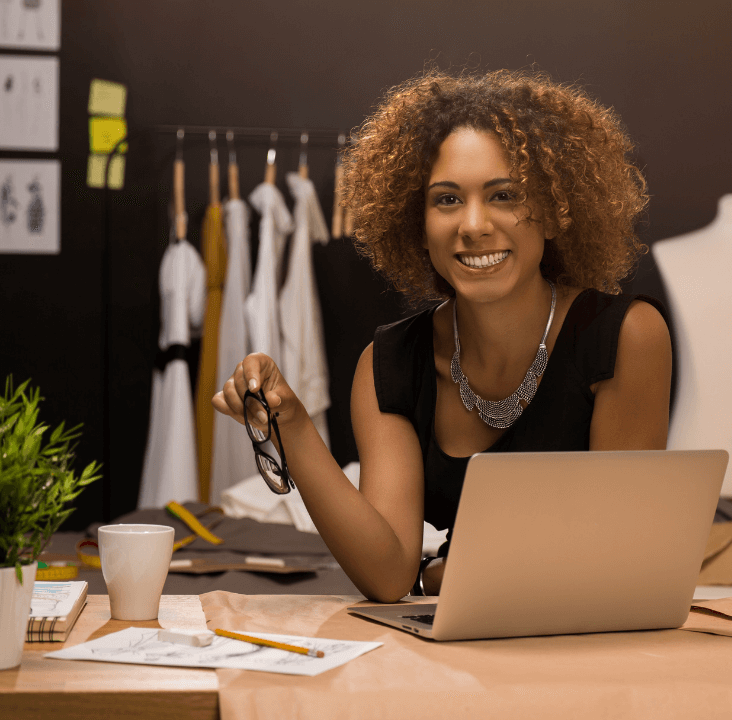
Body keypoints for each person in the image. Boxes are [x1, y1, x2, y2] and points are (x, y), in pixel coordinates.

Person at [213, 69, 672, 602]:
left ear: (552, 213)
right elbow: (386, 576)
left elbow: (616, 559)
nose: (473, 225)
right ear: (418, 223)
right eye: (447, 200)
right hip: (455, 656)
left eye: (504, 195)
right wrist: (289, 422)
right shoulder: (391, 365)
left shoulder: (625, 339)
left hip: (584, 651)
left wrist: (439, 574)